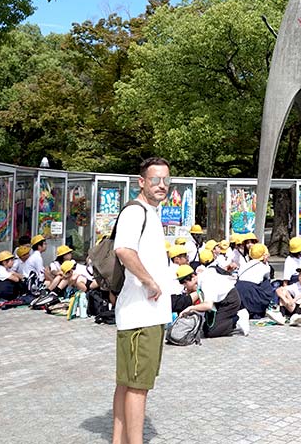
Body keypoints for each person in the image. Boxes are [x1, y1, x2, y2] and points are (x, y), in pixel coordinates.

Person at [112, 157, 174, 444]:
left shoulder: (151, 212)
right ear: (141, 182)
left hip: (144, 313)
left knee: (127, 382)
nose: (161, 185)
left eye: (165, 180)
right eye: (155, 180)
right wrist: (149, 281)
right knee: (138, 386)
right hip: (141, 313)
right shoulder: (136, 212)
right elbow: (124, 250)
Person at [175, 262, 250, 338]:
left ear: (193, 276)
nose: (185, 287)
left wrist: (190, 308)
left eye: (185, 283)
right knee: (206, 328)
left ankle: (237, 320)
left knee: (212, 332)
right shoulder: (202, 277)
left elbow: (208, 305)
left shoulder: (206, 282)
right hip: (219, 300)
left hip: (229, 300)